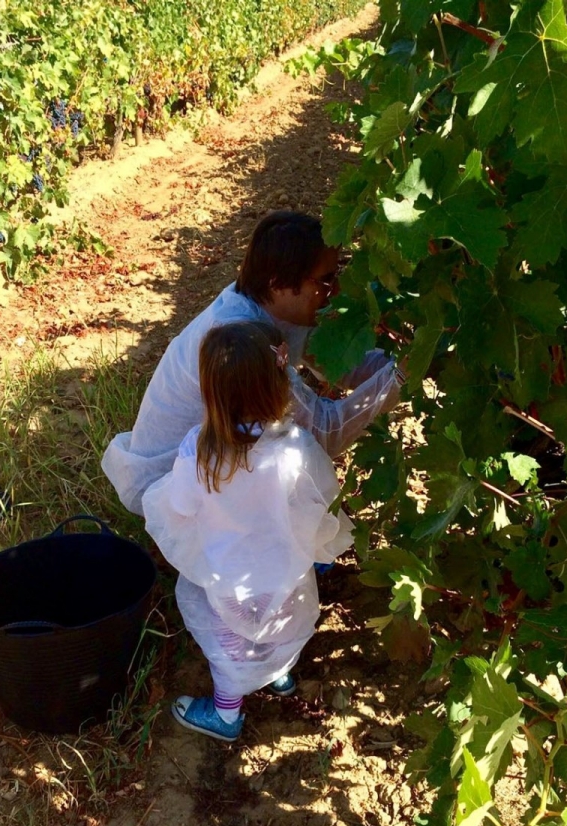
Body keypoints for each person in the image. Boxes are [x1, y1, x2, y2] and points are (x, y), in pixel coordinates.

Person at [102, 210, 405, 516]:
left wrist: (407, 359)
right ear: (278, 283)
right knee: (294, 460)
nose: (335, 290)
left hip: (211, 467)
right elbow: (325, 432)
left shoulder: (275, 305)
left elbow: (339, 364)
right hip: (178, 488)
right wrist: (401, 378)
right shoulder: (244, 341)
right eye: (325, 281)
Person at [142, 322, 354, 742]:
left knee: (231, 647)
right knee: (280, 626)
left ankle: (226, 715)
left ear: (210, 392)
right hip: (286, 577)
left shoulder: (199, 452)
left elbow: (180, 505)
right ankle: (280, 675)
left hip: (230, 581)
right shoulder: (294, 446)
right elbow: (317, 501)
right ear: (279, 383)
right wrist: (321, 548)